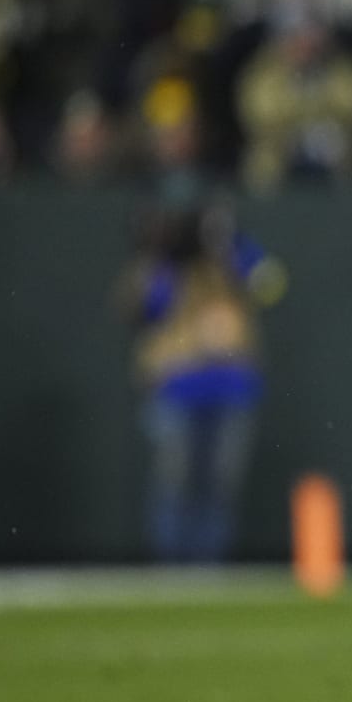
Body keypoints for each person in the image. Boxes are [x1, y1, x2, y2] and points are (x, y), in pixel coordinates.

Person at [124, 193, 285, 562]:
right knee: (175, 480)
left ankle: (210, 564)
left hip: (229, 385)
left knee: (220, 484)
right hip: (178, 385)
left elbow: (271, 286)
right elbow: (144, 306)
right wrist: (164, 251)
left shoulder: (234, 260)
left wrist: (233, 246)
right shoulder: (165, 267)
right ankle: (172, 563)